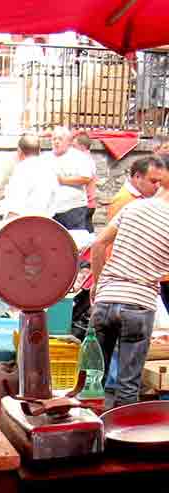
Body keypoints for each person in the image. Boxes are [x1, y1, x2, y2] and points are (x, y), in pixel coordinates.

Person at [90, 188, 169, 406]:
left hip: (106, 299)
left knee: (93, 380)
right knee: (128, 385)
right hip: (138, 304)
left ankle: (88, 435)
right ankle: (120, 438)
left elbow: (98, 245)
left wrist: (98, 285)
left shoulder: (133, 207)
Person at [43, 126, 93, 231]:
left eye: (60, 139)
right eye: (54, 139)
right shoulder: (45, 158)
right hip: (51, 209)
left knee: (75, 241)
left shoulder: (79, 157)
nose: (56, 142)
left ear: (68, 141)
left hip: (73, 208)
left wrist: (63, 180)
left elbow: (86, 178)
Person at [0, 133, 57, 220]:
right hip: (45, 224)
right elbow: (53, 203)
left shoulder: (21, 170)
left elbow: (14, 207)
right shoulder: (50, 170)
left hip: (23, 225)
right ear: (39, 151)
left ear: (19, 151)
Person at [73, 132, 97, 233]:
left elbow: (83, 179)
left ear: (82, 147)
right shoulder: (88, 159)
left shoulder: (84, 160)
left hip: (85, 203)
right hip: (88, 203)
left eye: (74, 146)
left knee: (82, 235)